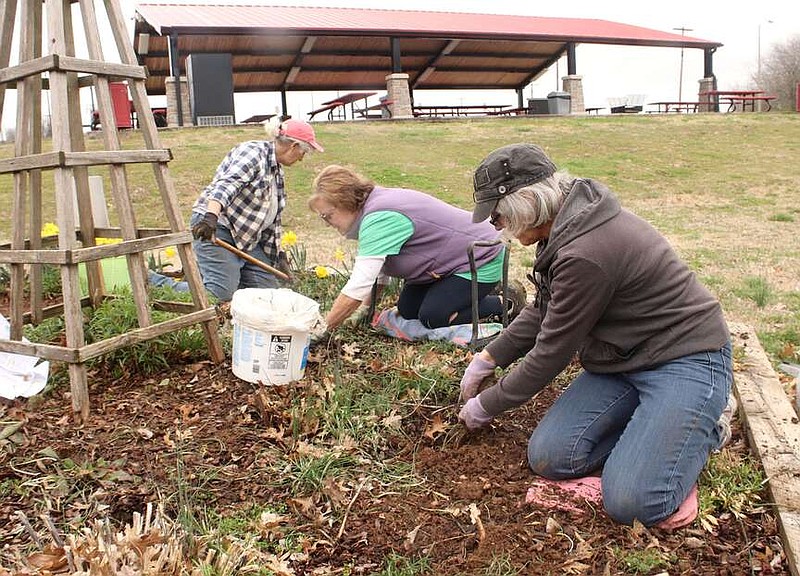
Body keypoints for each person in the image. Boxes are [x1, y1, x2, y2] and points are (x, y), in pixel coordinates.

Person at [458, 143, 733, 530]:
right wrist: (490, 357)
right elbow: (544, 309)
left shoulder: (586, 250)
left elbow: (551, 352)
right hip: (623, 359)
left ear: (527, 203)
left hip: (685, 358)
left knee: (634, 502)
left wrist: (487, 404)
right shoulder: (568, 222)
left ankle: (703, 431)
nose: (496, 226)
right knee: (551, 457)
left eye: (499, 215)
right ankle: (658, 430)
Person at [308, 164, 524, 333]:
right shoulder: (372, 209)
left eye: (328, 215)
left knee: (432, 317)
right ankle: (473, 296)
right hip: (448, 264)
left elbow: (358, 287)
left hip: (481, 257)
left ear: (345, 201)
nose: (327, 222)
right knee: (408, 310)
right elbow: (379, 272)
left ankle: (506, 303)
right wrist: (366, 309)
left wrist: (323, 329)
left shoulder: (380, 218)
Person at [149, 117, 323, 301]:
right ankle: (149, 281)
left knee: (267, 295)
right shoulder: (253, 153)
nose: (302, 158)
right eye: (304, 152)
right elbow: (227, 184)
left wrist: (277, 255)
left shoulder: (276, 171)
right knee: (219, 293)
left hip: (245, 239)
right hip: (218, 229)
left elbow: (268, 218)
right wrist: (210, 218)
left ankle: (219, 283)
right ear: (294, 146)